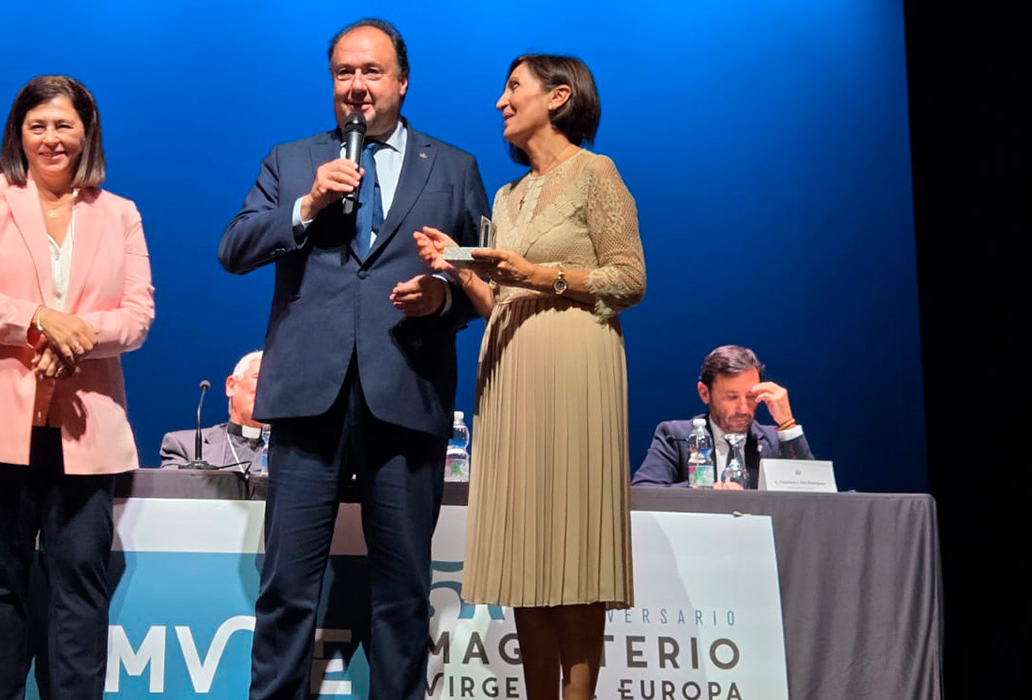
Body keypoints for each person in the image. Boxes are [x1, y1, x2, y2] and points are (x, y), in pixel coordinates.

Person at [218, 18, 489, 700]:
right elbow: (235, 250)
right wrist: (307, 204)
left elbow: (486, 283)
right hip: (310, 401)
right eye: (345, 73)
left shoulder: (455, 168)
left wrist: (442, 298)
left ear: (402, 81)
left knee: (402, 594)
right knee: (287, 591)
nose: (358, 87)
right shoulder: (292, 159)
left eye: (372, 72)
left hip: (406, 393)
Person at [415, 54, 645, 700]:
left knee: (573, 549)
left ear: (560, 95)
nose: (500, 102)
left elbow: (630, 278)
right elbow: (502, 304)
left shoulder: (596, 175)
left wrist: (537, 275)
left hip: (576, 370)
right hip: (511, 374)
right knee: (526, 551)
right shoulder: (508, 197)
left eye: (513, 88)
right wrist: (459, 269)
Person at [0, 75, 154, 700]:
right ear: (18, 133)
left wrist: (74, 337)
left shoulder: (120, 213)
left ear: (87, 132)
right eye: (38, 126)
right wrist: (38, 321)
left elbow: (137, 316)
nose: (51, 138)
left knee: (80, 584)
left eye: (64, 125)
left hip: (83, 425)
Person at [632, 345, 814, 489]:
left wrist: (788, 424)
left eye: (751, 397)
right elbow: (645, 490)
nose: (743, 409)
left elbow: (812, 496)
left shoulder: (775, 441)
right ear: (704, 393)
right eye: (732, 397)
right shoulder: (675, 436)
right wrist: (704, 491)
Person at [159, 350, 266, 472]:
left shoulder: (291, 450)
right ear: (231, 386)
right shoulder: (184, 446)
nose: (270, 386)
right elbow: (170, 490)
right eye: (261, 377)